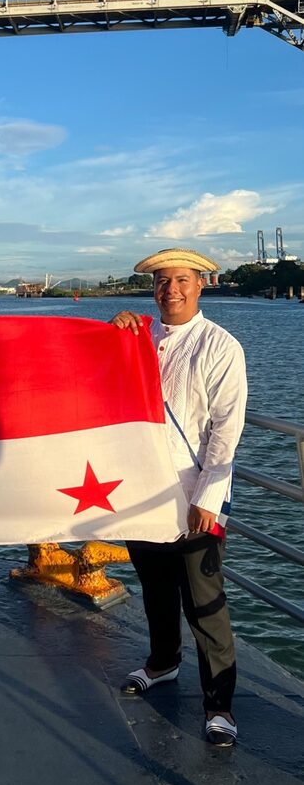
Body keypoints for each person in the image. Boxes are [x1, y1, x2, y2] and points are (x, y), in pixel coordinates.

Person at [111, 248, 247, 747]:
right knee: (155, 587)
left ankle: (219, 704)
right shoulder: (137, 338)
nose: (171, 290)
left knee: (204, 600)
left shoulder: (220, 346)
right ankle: (163, 662)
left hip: (195, 492)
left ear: (200, 284)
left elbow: (226, 431)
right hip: (143, 489)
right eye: (163, 281)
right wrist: (112, 334)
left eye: (182, 280)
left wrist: (208, 496)